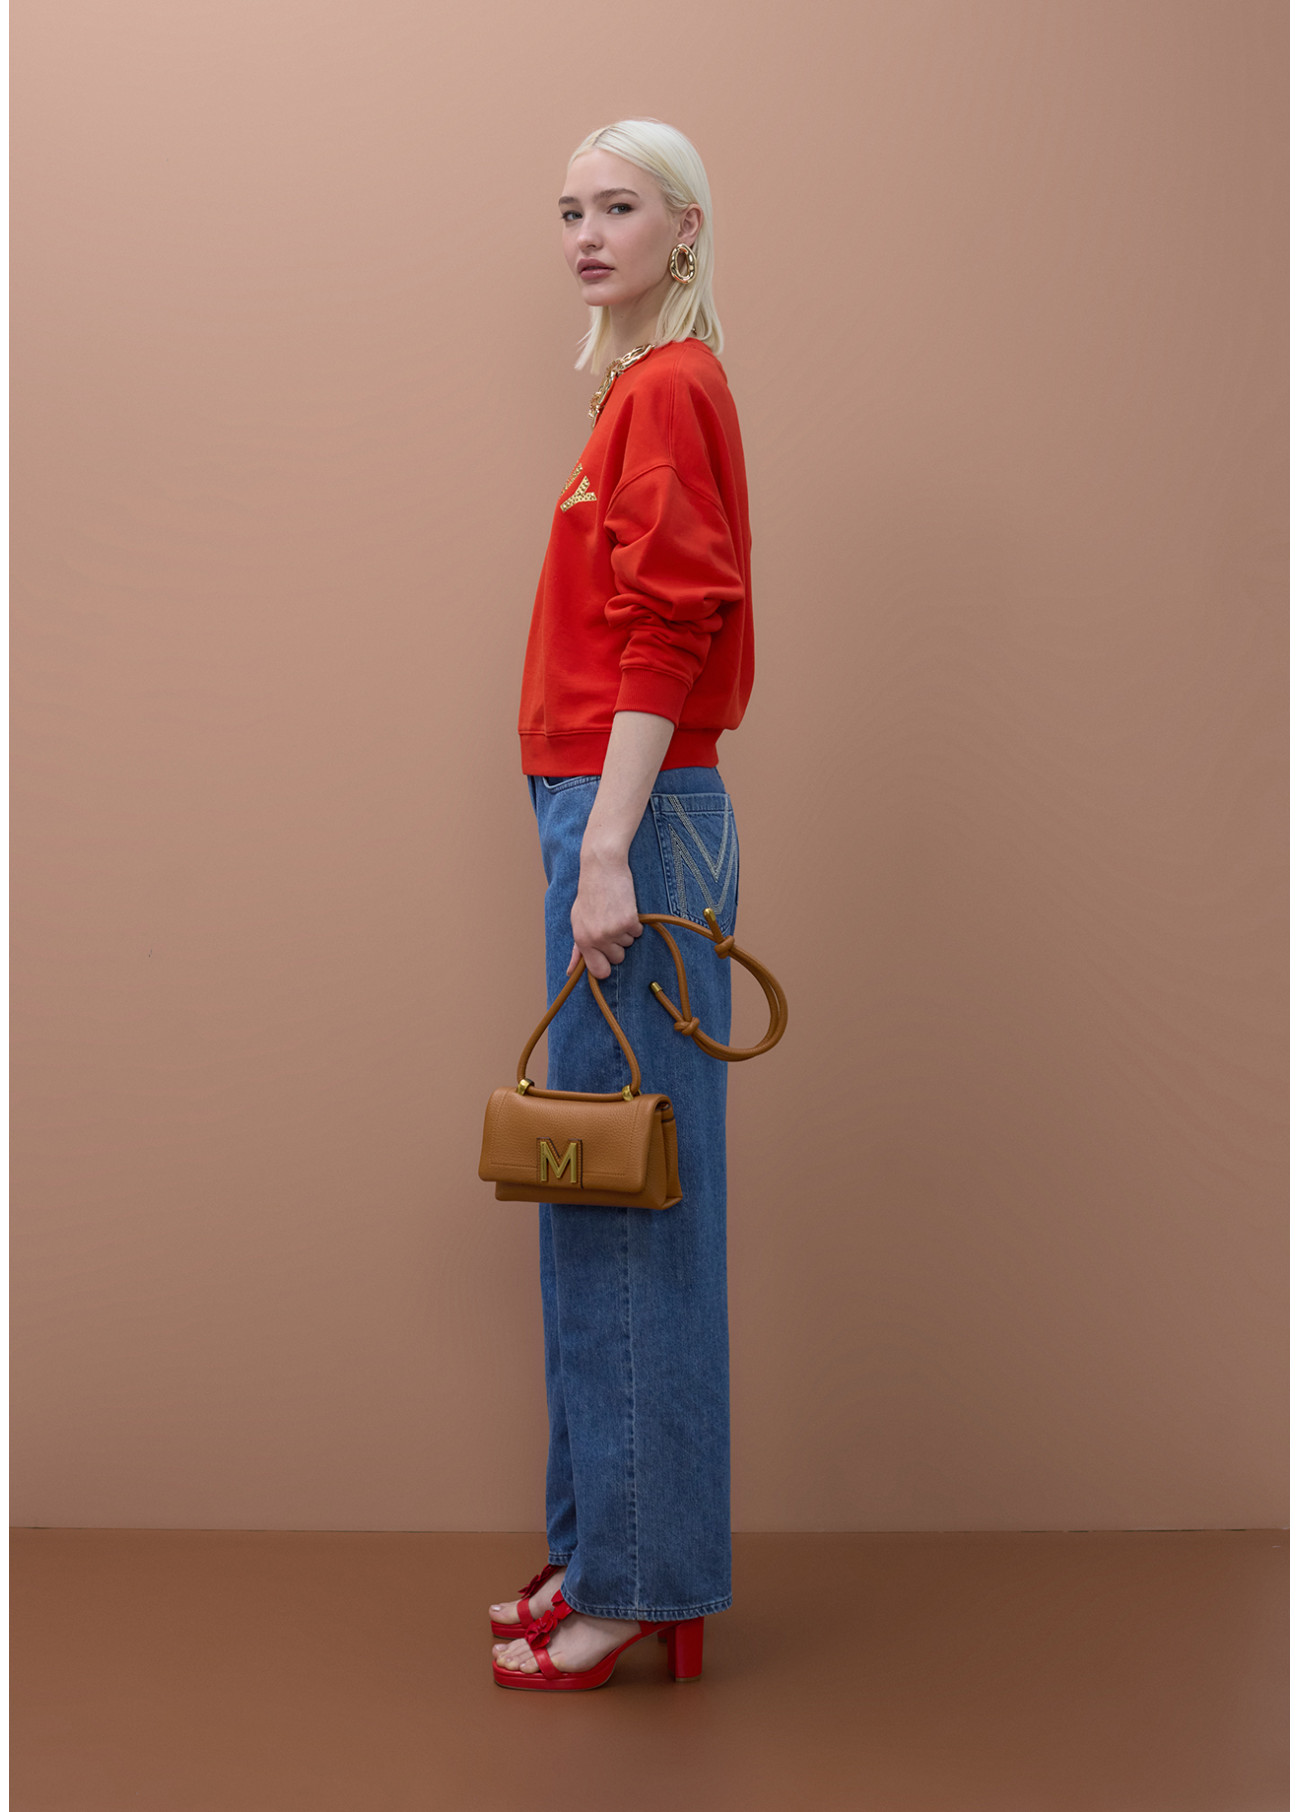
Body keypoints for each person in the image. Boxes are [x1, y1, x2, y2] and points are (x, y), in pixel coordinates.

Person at [489, 118, 754, 1691]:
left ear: (686, 228)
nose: (588, 232)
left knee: (631, 1208)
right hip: (611, 816)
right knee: (595, 1192)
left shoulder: (665, 389)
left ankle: (639, 1581)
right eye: (571, 209)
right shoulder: (641, 389)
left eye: (621, 206)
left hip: (629, 824)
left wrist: (605, 852)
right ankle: (602, 1549)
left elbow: (675, 619)